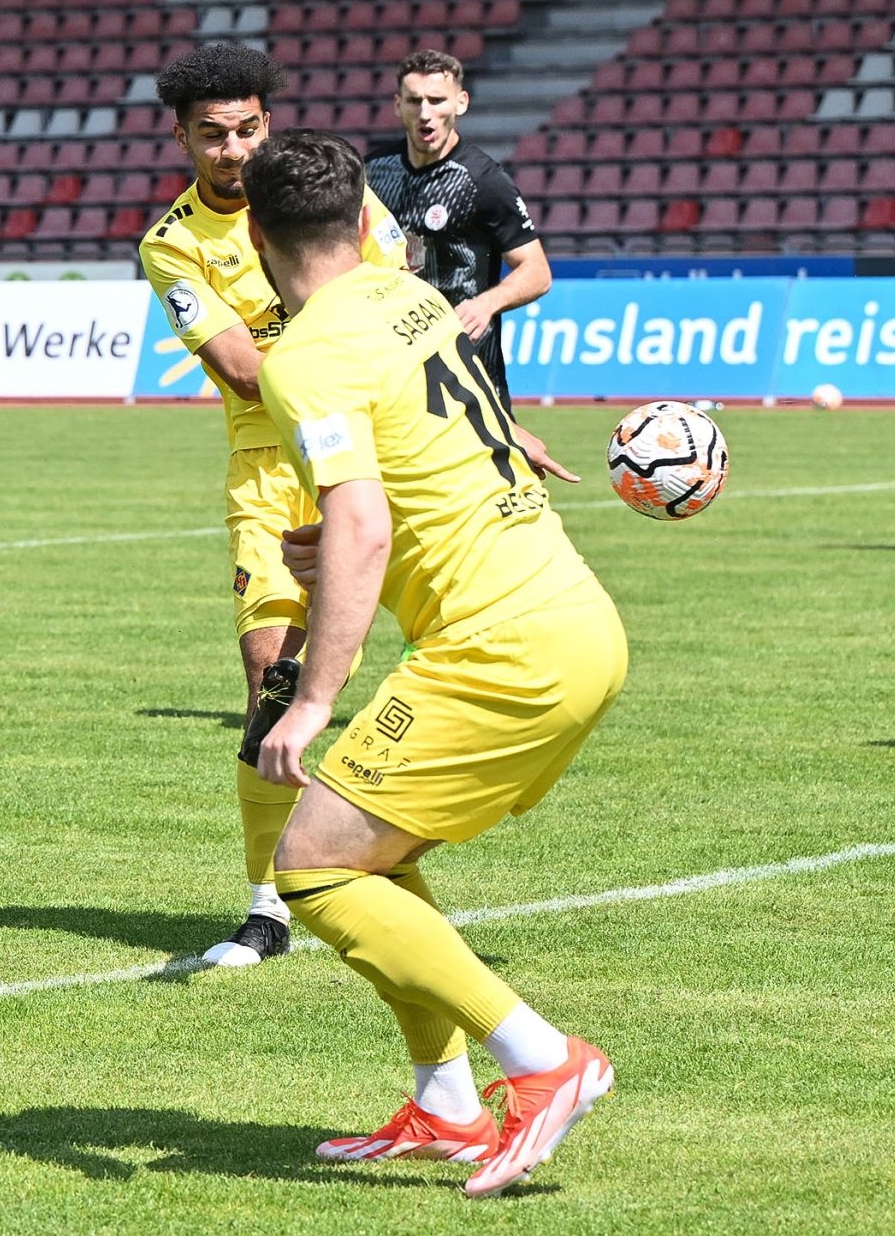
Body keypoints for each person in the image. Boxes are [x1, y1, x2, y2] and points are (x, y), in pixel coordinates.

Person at [241, 127, 626, 1197]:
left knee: (312, 867)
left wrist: (312, 699)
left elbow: (364, 522)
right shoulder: (411, 294)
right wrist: (341, 538)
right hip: (571, 614)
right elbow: (418, 469)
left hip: (501, 649)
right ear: (367, 217)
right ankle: (446, 1102)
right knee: (371, 849)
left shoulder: (303, 356)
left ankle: (544, 1060)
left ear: (258, 236)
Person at [137, 42, 413, 968]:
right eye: (212, 134)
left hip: (373, 446)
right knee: (272, 675)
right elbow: (244, 372)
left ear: (270, 123)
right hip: (268, 464)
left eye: (248, 129)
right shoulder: (173, 245)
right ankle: (269, 903)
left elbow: (402, 302)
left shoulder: (332, 195)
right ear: (181, 138)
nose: (233, 150)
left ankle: (379, 860)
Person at [364, 48, 552, 412]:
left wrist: (486, 304)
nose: (425, 113)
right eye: (414, 100)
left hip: (469, 373)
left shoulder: (484, 180)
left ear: (460, 102)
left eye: (437, 100)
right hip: (393, 370)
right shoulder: (371, 173)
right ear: (397, 105)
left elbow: (537, 271)